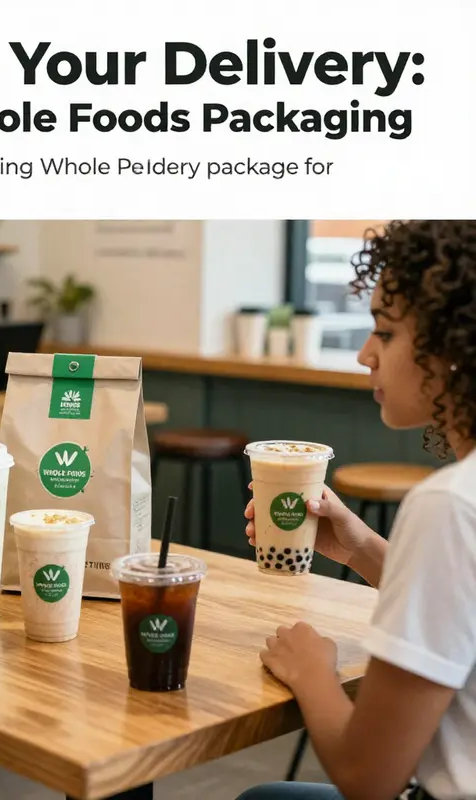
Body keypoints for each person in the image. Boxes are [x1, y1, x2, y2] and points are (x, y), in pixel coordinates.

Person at [237, 221, 476, 800]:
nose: (366, 353)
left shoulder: (450, 503)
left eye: (386, 333)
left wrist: (312, 669)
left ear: (455, 346)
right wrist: (360, 548)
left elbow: (368, 778)